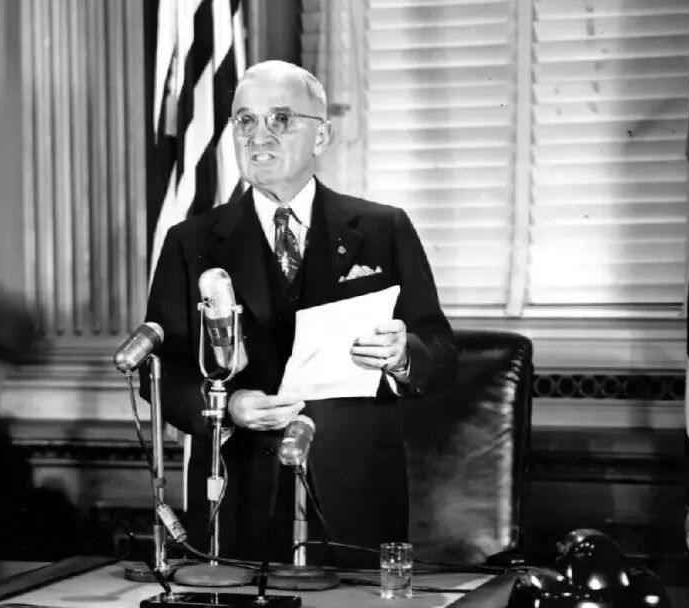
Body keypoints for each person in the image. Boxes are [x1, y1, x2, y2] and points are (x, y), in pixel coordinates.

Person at [145, 61, 457, 565]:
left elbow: (440, 351)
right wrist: (227, 405)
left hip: (353, 492)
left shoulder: (384, 229)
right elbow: (160, 373)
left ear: (322, 136)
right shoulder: (191, 241)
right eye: (245, 121)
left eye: (281, 119)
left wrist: (403, 356)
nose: (258, 136)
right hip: (238, 494)